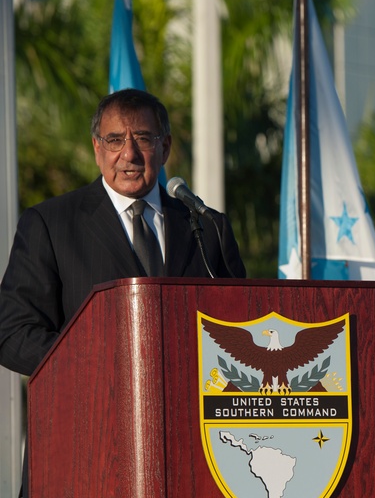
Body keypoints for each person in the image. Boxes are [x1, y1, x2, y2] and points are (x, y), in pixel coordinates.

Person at [0, 88, 245, 377]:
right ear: (97, 148)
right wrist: (98, 364)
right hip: (92, 409)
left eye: (142, 138)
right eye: (115, 140)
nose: (129, 154)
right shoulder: (50, 224)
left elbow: (239, 325)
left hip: (191, 410)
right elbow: (12, 333)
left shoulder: (208, 227)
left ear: (164, 147)